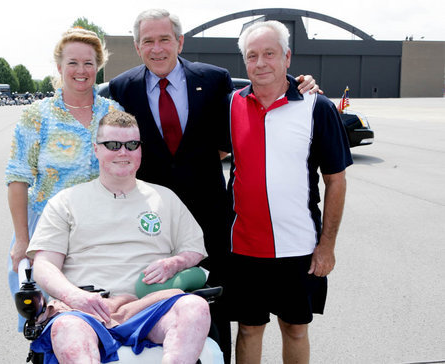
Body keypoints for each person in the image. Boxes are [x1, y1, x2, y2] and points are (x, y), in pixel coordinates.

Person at [107, 9, 320, 362]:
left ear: (180, 41)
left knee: (216, 302)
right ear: (136, 46)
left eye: (164, 40)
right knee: (152, 297)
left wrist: (300, 83)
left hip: (210, 215)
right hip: (149, 217)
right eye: (148, 41)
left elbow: (255, 98)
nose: (157, 49)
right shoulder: (122, 87)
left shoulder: (214, 78)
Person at [26, 110, 212, 363]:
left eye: (131, 145)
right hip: (85, 309)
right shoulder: (66, 202)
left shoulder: (165, 198)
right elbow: (45, 265)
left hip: (149, 307)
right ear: (96, 150)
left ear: (140, 150)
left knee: (195, 307)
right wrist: (74, 296)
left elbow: (194, 249)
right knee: (67, 329)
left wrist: (175, 263)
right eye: (112, 145)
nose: (123, 152)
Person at [226, 20, 353, 364]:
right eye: (252, 56)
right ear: (245, 62)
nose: (261, 62)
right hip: (245, 247)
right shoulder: (230, 105)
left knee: (295, 328)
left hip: (299, 246)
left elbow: (336, 180)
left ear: (287, 57)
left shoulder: (317, 108)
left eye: (270, 53)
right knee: (249, 329)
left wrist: (327, 246)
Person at [5, 27, 123, 331]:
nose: (81, 71)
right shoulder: (37, 115)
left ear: (98, 66)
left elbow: (126, 170)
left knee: (100, 321)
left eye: (88, 63)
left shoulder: (113, 113)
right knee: (46, 324)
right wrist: (22, 239)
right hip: (47, 232)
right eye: (73, 62)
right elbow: (17, 178)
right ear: (59, 67)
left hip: (101, 233)